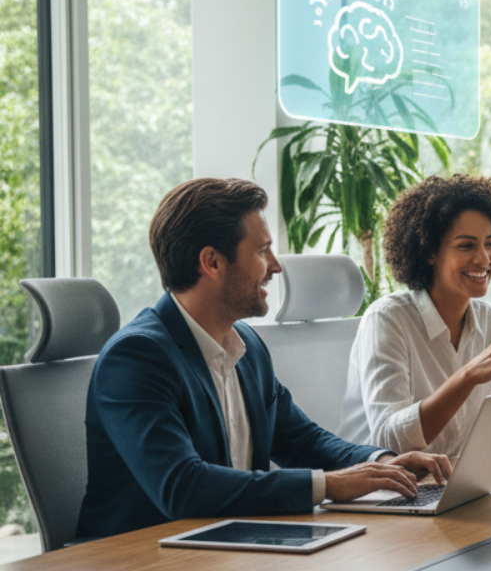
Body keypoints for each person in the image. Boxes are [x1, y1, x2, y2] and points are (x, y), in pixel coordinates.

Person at [78, 179, 452, 540]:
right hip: (143, 557)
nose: (275, 266)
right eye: (261, 251)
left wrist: (382, 461)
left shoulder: (246, 347)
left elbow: (301, 440)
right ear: (211, 262)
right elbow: (181, 486)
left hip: (229, 544)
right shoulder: (137, 357)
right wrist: (328, 485)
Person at [338, 174, 491, 457]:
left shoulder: (489, 319)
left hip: (447, 485)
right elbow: (389, 442)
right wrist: (468, 376)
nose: (484, 258)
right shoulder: (387, 320)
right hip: (378, 491)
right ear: (430, 252)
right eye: (466, 245)